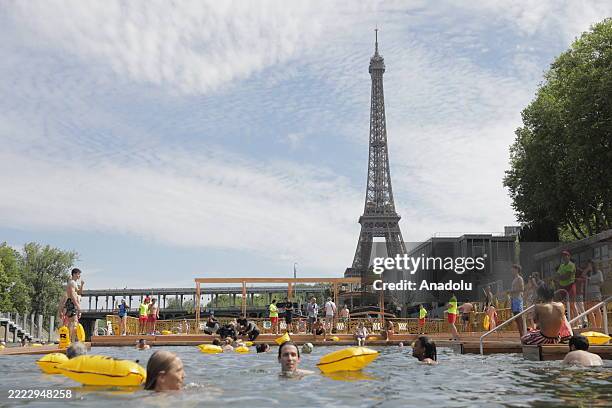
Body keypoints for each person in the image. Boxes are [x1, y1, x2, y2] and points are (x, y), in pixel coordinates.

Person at [556, 250, 578, 321]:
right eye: (563, 256)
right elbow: (557, 275)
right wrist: (561, 276)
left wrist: (561, 276)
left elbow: (567, 276)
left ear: (569, 256)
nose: (564, 257)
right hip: (562, 287)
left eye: (566, 255)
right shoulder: (561, 266)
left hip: (570, 286)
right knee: (565, 305)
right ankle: (571, 321)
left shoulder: (571, 265)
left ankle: (577, 321)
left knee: (572, 304)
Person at [64, 268, 82, 343]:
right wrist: (77, 305)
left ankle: (70, 340)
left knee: (71, 322)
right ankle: (72, 341)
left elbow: (79, 292)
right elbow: (72, 295)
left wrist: (82, 285)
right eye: (78, 274)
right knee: (74, 322)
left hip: (70, 302)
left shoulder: (73, 283)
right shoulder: (72, 283)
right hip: (71, 303)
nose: (79, 276)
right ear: (74, 274)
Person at [585, 260, 604, 328]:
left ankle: (598, 326)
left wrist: (593, 282)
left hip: (596, 292)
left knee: (597, 309)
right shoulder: (588, 274)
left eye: (590, 265)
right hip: (588, 293)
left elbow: (601, 282)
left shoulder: (598, 272)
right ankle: (594, 326)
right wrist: (587, 270)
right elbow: (582, 275)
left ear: (593, 265)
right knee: (590, 310)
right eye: (588, 265)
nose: (589, 266)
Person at [510, 264, 526, 336]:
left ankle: (523, 334)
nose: (511, 270)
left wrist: (512, 291)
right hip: (513, 299)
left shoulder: (520, 278)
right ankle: (521, 334)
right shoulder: (514, 279)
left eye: (512, 269)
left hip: (518, 299)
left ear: (516, 270)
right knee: (516, 318)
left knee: (519, 317)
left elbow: (522, 289)